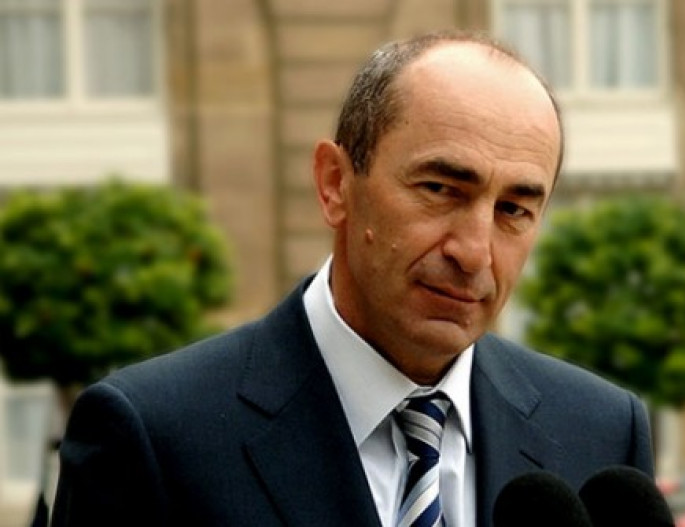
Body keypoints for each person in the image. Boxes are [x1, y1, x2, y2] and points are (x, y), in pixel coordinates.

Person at [50, 29, 653, 527]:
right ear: (335, 184)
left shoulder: (601, 431)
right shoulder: (153, 436)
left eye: (514, 210)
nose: (474, 253)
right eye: (440, 189)